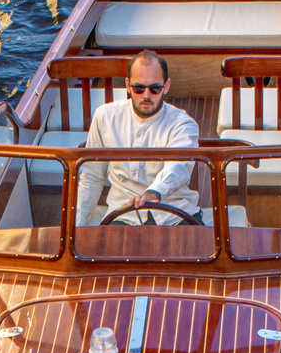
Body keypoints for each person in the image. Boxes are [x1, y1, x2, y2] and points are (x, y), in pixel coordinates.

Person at [75, 50, 202, 225]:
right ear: (128, 85)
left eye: (155, 88)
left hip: (175, 214)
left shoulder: (183, 124)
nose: (146, 96)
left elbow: (179, 166)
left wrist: (154, 192)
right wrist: (75, 228)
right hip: (122, 215)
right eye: (139, 88)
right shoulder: (104, 116)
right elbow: (92, 177)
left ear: (166, 86)